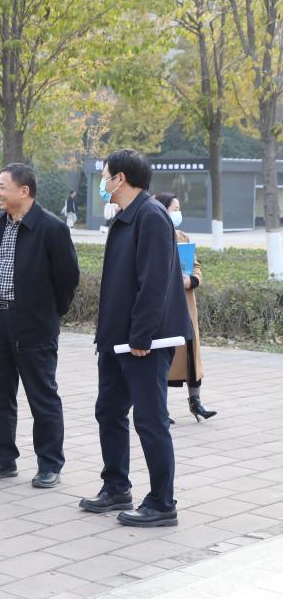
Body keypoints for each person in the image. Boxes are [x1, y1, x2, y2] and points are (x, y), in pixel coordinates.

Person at [80, 149, 191, 528]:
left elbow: (155, 282)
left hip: (144, 342)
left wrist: (141, 335)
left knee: (150, 419)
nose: (103, 182)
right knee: (109, 411)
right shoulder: (125, 216)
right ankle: (116, 487)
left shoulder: (151, 216)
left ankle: (162, 503)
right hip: (116, 339)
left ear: (120, 179)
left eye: (105, 175)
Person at [0, 164, 80, 489]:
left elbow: (68, 279)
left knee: (42, 396)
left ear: (24, 191)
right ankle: (3, 457)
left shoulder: (51, 228)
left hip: (34, 324)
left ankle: (49, 463)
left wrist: (46, 313)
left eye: (2, 187)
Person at [154, 192, 217, 422]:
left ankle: (195, 402)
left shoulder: (182, 236)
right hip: (164, 305)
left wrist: (192, 280)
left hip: (186, 303)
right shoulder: (152, 235)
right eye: (175, 209)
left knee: (191, 352)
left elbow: (196, 266)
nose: (178, 213)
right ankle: (159, 408)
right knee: (164, 357)